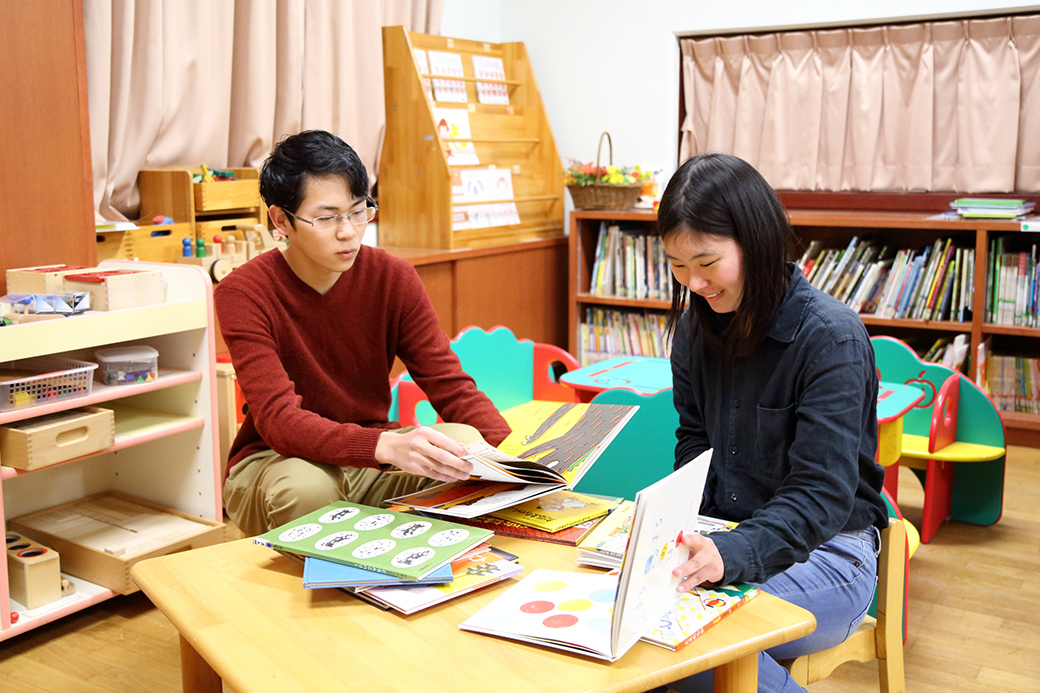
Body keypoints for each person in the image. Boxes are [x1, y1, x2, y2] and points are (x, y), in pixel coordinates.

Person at [655, 153, 888, 692]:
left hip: (832, 557)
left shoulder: (830, 336)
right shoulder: (695, 330)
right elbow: (695, 441)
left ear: (755, 242)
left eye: (707, 263)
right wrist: (681, 531)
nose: (694, 283)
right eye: (676, 265)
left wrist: (732, 553)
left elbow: (822, 493)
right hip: (726, 539)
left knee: (692, 648)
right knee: (650, 630)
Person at [214, 129, 511, 536]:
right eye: (326, 218)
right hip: (277, 460)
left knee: (465, 443)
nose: (349, 231)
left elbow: (450, 385)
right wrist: (383, 447)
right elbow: (280, 421)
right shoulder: (244, 292)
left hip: (370, 456)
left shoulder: (393, 277)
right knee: (306, 487)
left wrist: (513, 460)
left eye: (358, 211)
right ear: (281, 220)